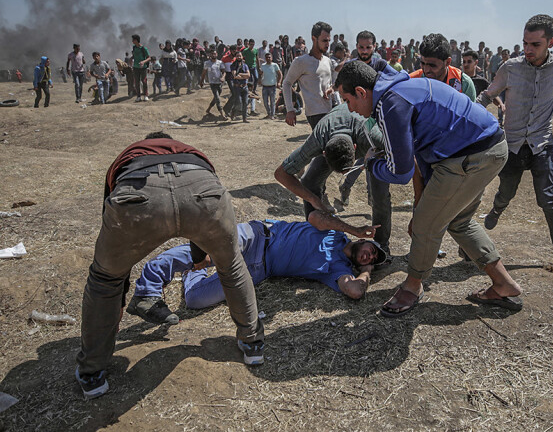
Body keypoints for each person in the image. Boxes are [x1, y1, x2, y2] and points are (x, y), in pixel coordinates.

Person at [75, 132, 265, 400]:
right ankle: (253, 343)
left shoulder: (129, 154)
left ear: (147, 144)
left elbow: (113, 229)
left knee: (104, 278)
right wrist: (200, 257)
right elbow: (198, 200)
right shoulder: (190, 151)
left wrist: (117, 298)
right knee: (232, 266)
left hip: (138, 195)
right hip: (201, 187)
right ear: (170, 143)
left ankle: (92, 373)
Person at [335, 60, 522, 316]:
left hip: (471, 156)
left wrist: (370, 164)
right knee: (459, 220)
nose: (351, 109)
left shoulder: (391, 104)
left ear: (361, 92)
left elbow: (400, 173)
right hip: (488, 148)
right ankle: (504, 284)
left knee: (426, 225)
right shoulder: (403, 87)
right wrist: (418, 204)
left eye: (348, 100)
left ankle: (412, 286)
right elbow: (421, 156)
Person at [127, 213, 388, 324]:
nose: (370, 255)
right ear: (363, 239)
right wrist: (351, 229)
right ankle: (148, 287)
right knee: (210, 248)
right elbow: (314, 217)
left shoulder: (337, 268)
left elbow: (354, 291)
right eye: (372, 249)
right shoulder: (335, 230)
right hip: (258, 237)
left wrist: (367, 273)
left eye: (373, 258)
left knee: (195, 299)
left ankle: (196, 269)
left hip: (257, 271)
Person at [477, 14, 553, 273]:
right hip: (512, 144)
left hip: (542, 142)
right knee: (506, 191)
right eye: (525, 43)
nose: (528, 50)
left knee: (547, 197)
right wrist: (468, 114)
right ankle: (496, 211)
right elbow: (488, 94)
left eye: (535, 44)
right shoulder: (510, 67)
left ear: (550, 42)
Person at [274, 102, 393, 259]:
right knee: (310, 181)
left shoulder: (373, 137)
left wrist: (371, 161)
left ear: (356, 147)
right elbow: (281, 174)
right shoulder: (318, 138)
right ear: (323, 153)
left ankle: (380, 245)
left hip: (374, 149)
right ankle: (316, 237)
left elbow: (403, 158)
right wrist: (313, 199)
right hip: (335, 135)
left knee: (379, 196)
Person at [282, 22, 334, 130]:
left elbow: (332, 84)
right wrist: (290, 110)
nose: (327, 44)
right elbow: (287, 83)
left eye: (329, 40)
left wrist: (331, 89)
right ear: (314, 39)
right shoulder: (301, 62)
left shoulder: (327, 61)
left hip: (331, 110)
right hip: (315, 114)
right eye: (324, 40)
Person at [409, 33, 476, 101]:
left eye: (432, 65)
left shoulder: (464, 83)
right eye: (423, 63)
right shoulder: (411, 81)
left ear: (447, 62)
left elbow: (471, 111)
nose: (426, 70)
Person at [200, 49, 226, 116]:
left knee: (215, 97)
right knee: (217, 98)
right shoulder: (207, 63)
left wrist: (223, 77)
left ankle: (208, 109)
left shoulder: (220, 62)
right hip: (212, 83)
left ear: (217, 54)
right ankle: (222, 114)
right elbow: (204, 73)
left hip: (219, 83)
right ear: (210, 55)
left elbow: (224, 72)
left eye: (214, 54)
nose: (213, 55)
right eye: (212, 54)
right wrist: (201, 81)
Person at [261, 52, 282, 119]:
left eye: (269, 57)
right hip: (265, 86)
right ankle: (269, 113)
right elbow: (260, 74)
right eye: (267, 57)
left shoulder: (275, 65)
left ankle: (272, 115)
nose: (268, 58)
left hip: (272, 86)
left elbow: (280, 74)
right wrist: (259, 79)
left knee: (272, 102)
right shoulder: (263, 65)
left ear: (272, 58)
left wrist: (279, 82)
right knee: (265, 102)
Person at [230, 51, 250, 122]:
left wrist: (241, 74)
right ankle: (233, 111)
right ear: (236, 57)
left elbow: (248, 75)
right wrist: (243, 76)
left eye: (240, 56)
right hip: (237, 87)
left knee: (245, 102)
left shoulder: (245, 65)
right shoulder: (233, 65)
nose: (239, 57)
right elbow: (235, 76)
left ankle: (244, 118)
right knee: (239, 102)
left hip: (245, 86)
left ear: (242, 57)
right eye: (237, 56)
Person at [131, 34, 150, 102]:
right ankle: (138, 96)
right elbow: (134, 55)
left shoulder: (143, 48)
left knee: (144, 81)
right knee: (136, 82)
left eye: (133, 40)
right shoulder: (134, 48)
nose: (132, 41)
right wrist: (131, 59)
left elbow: (149, 58)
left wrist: (143, 62)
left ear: (136, 40)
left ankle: (146, 95)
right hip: (135, 67)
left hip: (143, 68)